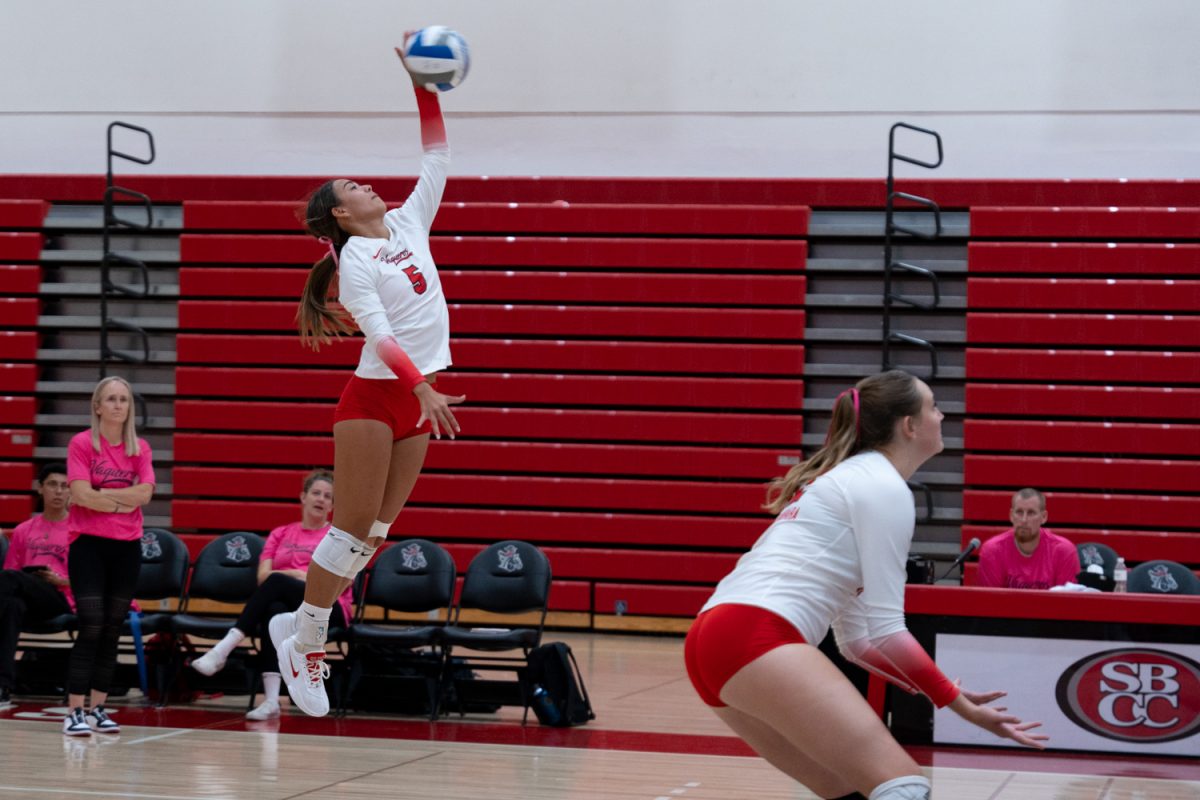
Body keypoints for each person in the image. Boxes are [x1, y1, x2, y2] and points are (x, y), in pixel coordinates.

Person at [684, 371, 1047, 800]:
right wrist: (958, 705)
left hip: (711, 641)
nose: (942, 414)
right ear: (909, 426)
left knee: (847, 789)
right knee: (905, 786)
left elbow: (855, 640)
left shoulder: (853, 479)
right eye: (933, 405)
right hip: (757, 636)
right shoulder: (883, 486)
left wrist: (938, 684)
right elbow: (889, 632)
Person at [275, 43, 465, 717]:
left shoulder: (410, 220)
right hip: (378, 398)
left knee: (378, 530)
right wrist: (418, 387)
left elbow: (437, 156)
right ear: (341, 215)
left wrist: (424, 87)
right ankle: (305, 640)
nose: (367, 186)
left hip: (420, 392)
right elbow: (381, 337)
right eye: (353, 187)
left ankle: (296, 627)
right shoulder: (355, 261)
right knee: (351, 525)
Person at [189, 469, 350, 720]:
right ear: (303, 497)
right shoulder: (281, 533)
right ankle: (272, 700)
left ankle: (223, 648)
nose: (321, 499)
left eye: (328, 496)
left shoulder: (334, 537)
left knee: (277, 582)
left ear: (332, 505)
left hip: (330, 606)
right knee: (273, 610)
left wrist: (289, 574)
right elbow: (262, 577)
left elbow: (334, 580)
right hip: (290, 602)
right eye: (316, 493)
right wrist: (301, 574)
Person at [62, 376, 155, 736]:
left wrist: (104, 497)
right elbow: (80, 495)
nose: (118, 405)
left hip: (126, 547)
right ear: (97, 406)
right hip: (88, 545)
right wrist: (120, 500)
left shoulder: (140, 449)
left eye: (124, 399)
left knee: (113, 628)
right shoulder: (82, 444)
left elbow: (145, 494)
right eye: (111, 399)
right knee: (91, 624)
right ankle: (73, 711)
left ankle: (98, 708)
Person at [0, 463, 74, 709]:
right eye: (52, 484)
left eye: (65, 486)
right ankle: (3, 686)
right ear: (40, 489)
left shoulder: (80, 530)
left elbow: (91, 576)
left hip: (61, 597)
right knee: (11, 606)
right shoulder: (23, 530)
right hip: (28, 595)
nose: (59, 491)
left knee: (11, 582)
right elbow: (11, 571)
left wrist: (62, 580)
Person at [976, 488, 1080, 590]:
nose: (1024, 520)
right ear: (1011, 516)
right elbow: (989, 604)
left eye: (1031, 513)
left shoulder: (1064, 552)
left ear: (1044, 517)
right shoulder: (993, 551)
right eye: (1019, 512)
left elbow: (1067, 605)